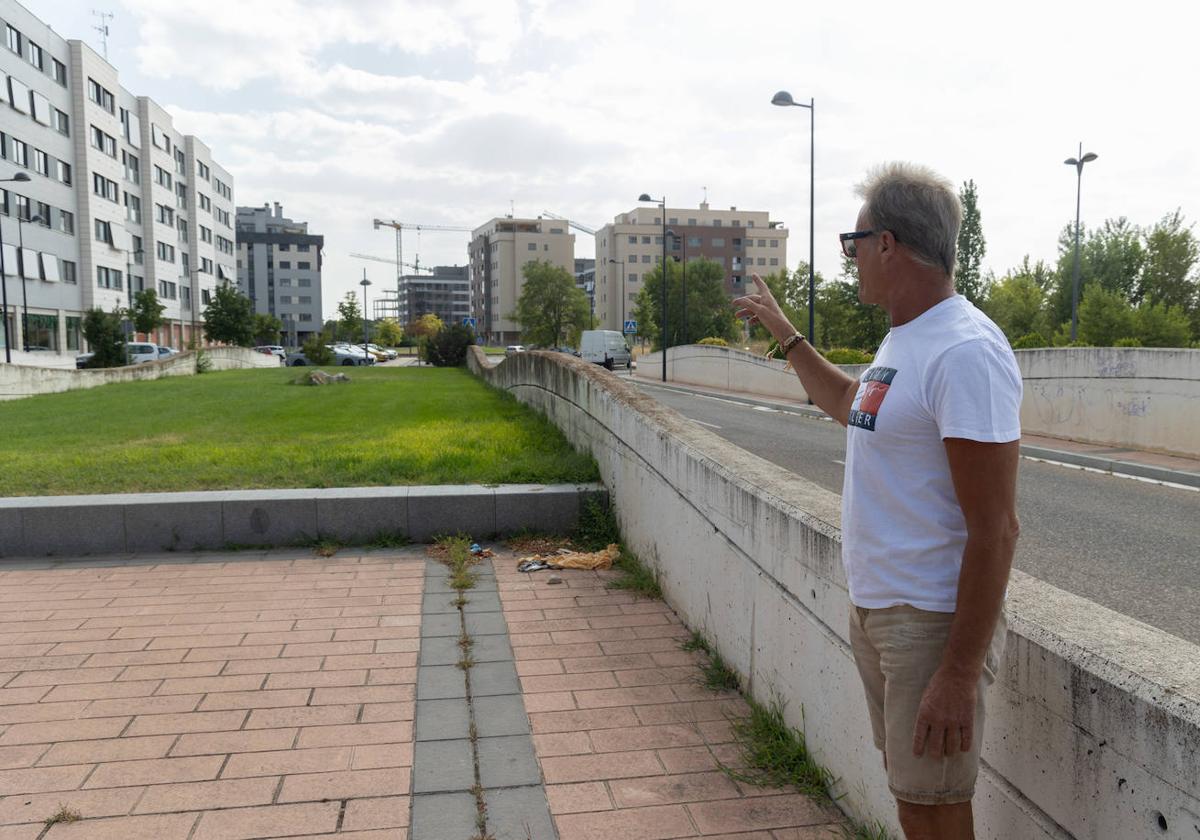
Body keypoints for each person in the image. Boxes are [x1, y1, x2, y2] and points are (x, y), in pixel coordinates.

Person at [733, 162, 1022, 840]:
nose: (851, 259)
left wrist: (957, 671)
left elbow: (997, 529)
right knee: (912, 795)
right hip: (883, 613)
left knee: (935, 805)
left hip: (930, 622)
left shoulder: (964, 350)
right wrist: (786, 333)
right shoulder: (905, 338)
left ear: (887, 245)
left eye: (852, 243)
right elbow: (847, 403)